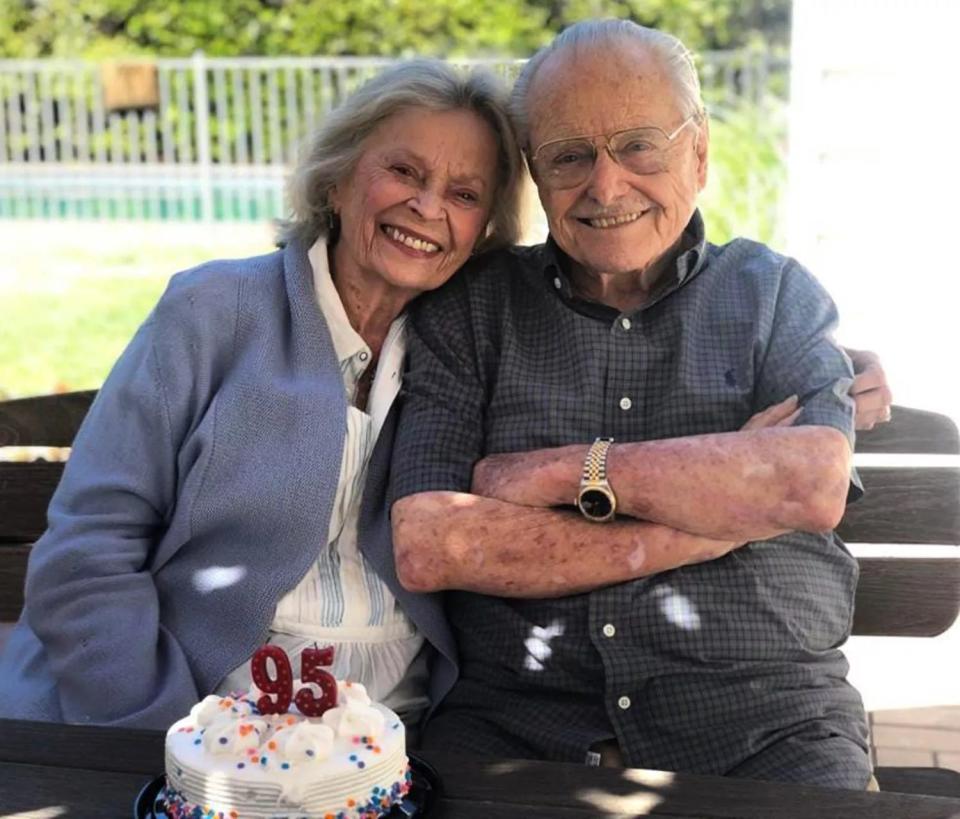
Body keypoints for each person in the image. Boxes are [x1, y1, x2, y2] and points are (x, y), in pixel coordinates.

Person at [390, 20, 880, 789]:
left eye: (639, 145)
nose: (606, 186)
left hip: (765, 726)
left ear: (700, 151)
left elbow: (808, 483)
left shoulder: (775, 295)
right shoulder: (472, 311)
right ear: (534, 172)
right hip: (517, 728)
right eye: (569, 156)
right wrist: (725, 504)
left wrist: (564, 473)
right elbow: (430, 541)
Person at [0, 59, 524, 730]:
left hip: (395, 734)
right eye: (404, 172)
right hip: (188, 713)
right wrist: (159, 739)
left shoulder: (467, 350)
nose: (429, 207)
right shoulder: (211, 311)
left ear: (484, 227)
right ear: (335, 178)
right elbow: (89, 551)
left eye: (465, 193)